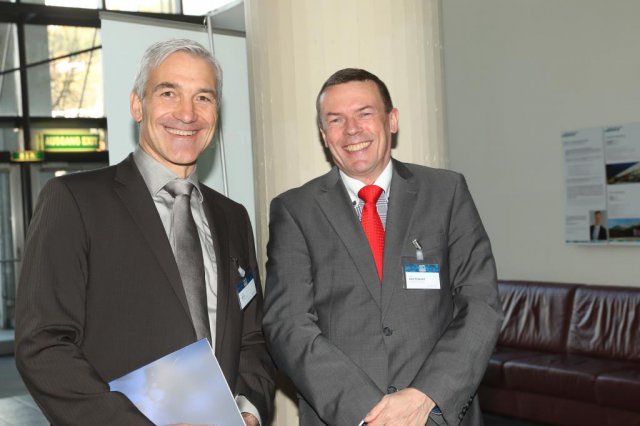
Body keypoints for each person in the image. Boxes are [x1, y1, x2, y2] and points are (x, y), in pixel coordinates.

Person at [15, 39, 275, 425]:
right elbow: (43, 344)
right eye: (169, 93)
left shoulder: (232, 217)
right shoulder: (74, 201)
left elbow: (252, 339)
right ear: (138, 105)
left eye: (203, 98)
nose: (187, 114)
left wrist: (248, 411)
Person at [263, 68, 503, 426]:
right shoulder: (295, 210)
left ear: (392, 120)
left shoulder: (446, 193)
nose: (351, 130)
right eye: (336, 120)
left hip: (435, 415)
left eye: (364, 113)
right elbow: (287, 325)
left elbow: (481, 303)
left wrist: (425, 396)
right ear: (324, 135)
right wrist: (368, 411)